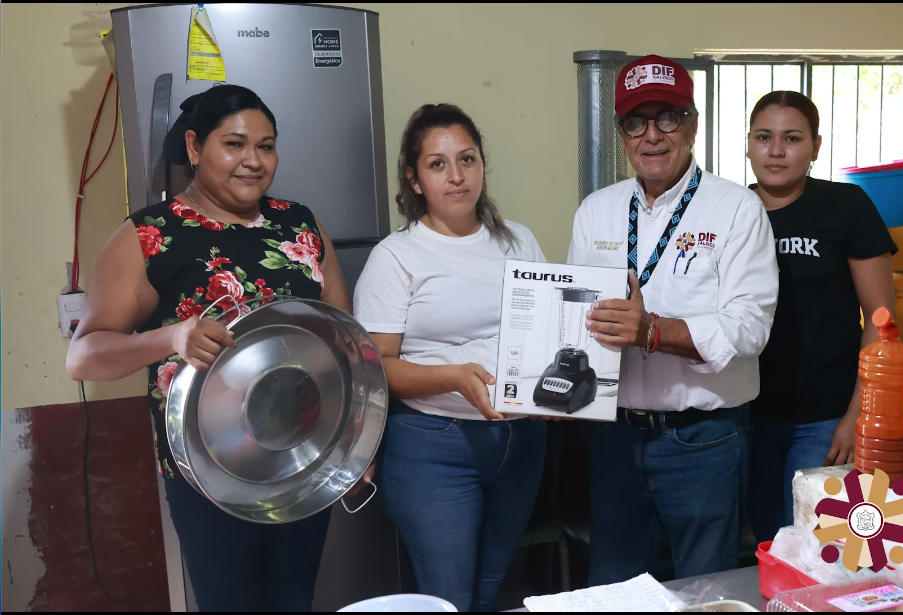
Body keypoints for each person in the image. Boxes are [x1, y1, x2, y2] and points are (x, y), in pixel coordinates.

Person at [65, 84, 351, 611]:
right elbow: (82, 357)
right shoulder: (151, 235)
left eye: (266, 146)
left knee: (294, 600)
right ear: (195, 147)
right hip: (207, 473)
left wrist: (352, 448)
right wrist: (171, 336)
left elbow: (343, 340)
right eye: (234, 144)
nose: (253, 161)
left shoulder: (300, 225)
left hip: (301, 457)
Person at [567, 55, 779, 585]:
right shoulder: (596, 210)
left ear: (692, 124)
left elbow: (749, 327)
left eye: (667, 117)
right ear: (622, 134)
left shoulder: (736, 209)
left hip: (702, 439)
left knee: (706, 588)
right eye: (636, 122)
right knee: (615, 587)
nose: (652, 135)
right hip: (614, 437)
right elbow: (574, 317)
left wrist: (653, 331)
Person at [353, 103, 547, 612]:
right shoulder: (396, 256)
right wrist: (454, 378)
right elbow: (376, 367)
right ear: (414, 179)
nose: (456, 176)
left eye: (467, 159)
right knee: (449, 599)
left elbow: (546, 332)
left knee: (491, 588)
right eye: (437, 164)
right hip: (434, 447)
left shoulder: (518, 240)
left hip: (521, 442)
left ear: (482, 165)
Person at [743, 91, 897, 543]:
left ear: (816, 146)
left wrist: (857, 415)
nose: (775, 151)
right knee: (765, 540)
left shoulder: (845, 206)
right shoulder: (730, 211)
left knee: (817, 543)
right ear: (748, 144)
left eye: (792, 138)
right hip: (745, 417)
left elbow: (882, 320)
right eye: (764, 137)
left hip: (825, 418)